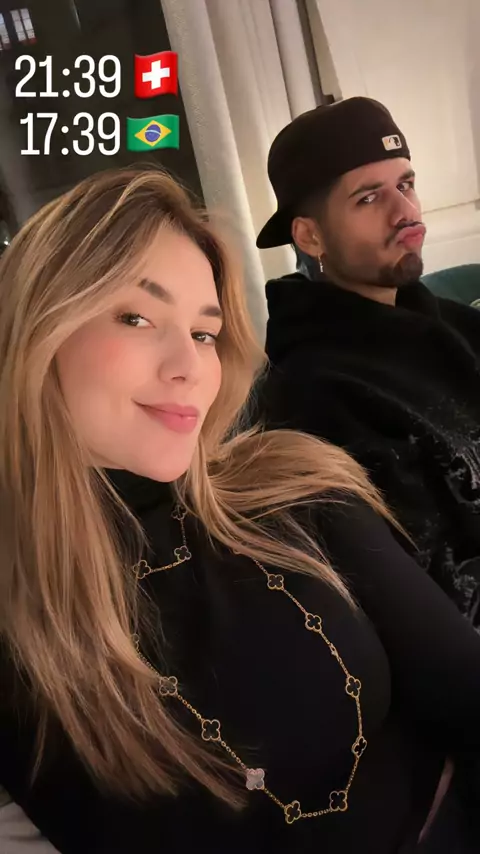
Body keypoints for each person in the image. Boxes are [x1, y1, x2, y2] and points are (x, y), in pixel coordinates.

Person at [0, 166, 480, 854]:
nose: (190, 366)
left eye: (204, 333)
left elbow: (466, 693)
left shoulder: (293, 488)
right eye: (137, 317)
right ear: (36, 331)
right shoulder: (18, 613)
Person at [255, 96, 480, 626]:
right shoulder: (317, 394)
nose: (406, 213)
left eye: (406, 184)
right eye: (369, 197)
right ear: (310, 236)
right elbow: (442, 599)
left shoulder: (454, 323)